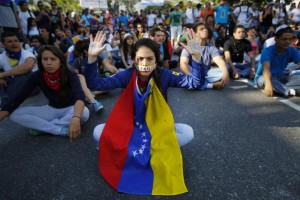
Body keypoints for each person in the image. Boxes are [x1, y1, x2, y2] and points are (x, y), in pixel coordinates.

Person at [84, 30, 205, 195]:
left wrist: (196, 58)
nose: (144, 62)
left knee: (188, 132)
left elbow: (196, 83)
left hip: (157, 129)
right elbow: (94, 84)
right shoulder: (126, 76)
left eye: (149, 58)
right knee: (98, 131)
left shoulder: (165, 75)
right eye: (140, 58)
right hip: (130, 128)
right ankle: (153, 150)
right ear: (134, 59)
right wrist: (91, 59)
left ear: (156, 59)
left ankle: (133, 150)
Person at [0, 45, 90, 139]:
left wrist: (76, 117)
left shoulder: (70, 74)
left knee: (84, 113)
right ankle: (58, 130)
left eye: (53, 59)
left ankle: (44, 127)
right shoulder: (37, 76)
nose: (48, 63)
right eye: (45, 59)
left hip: (71, 108)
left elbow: (80, 96)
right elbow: (19, 97)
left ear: (60, 61)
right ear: (40, 61)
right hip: (51, 109)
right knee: (14, 114)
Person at [180, 22, 229, 90]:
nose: (205, 30)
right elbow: (183, 64)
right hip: (192, 72)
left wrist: (226, 73)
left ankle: (199, 83)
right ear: (195, 34)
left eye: (205, 28)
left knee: (223, 72)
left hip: (205, 73)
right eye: (201, 29)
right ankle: (209, 85)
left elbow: (219, 61)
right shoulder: (188, 47)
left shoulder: (211, 47)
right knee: (185, 72)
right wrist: (191, 77)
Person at [254, 25, 300, 97]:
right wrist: (268, 84)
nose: (287, 41)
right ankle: (290, 91)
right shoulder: (267, 51)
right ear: (276, 39)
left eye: (290, 39)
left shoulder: (292, 50)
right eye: (284, 39)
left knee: (297, 77)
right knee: (264, 80)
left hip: (283, 76)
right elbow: (266, 69)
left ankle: (281, 88)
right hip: (266, 77)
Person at [0, 31, 36, 106]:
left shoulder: (27, 54)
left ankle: (7, 102)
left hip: (33, 86)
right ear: (3, 45)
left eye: (16, 41)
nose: (14, 43)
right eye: (10, 41)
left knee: (24, 73)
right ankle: (3, 99)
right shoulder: (2, 57)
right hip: (14, 86)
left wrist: (2, 74)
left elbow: (28, 66)